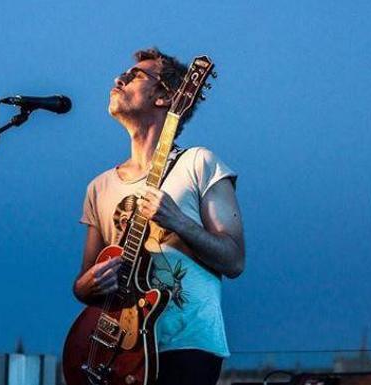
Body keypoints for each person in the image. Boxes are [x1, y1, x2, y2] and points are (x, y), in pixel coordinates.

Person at [73, 47, 245, 385]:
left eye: (135, 75)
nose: (118, 78)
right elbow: (82, 285)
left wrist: (178, 221)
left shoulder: (199, 163)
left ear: (165, 96)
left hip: (185, 348)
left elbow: (235, 260)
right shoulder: (99, 187)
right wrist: (90, 283)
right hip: (111, 352)